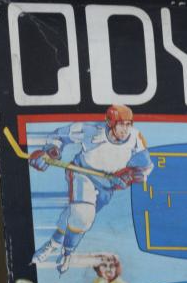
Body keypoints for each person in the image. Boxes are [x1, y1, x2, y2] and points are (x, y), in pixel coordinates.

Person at [29, 104, 154, 273]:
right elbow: (58, 135)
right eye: (121, 124)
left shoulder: (135, 138)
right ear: (110, 123)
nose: (125, 129)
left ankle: (54, 243)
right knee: (82, 215)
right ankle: (67, 253)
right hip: (82, 173)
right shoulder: (91, 129)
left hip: (107, 185)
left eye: (128, 124)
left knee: (75, 215)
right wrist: (50, 152)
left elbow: (146, 167)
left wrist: (132, 175)